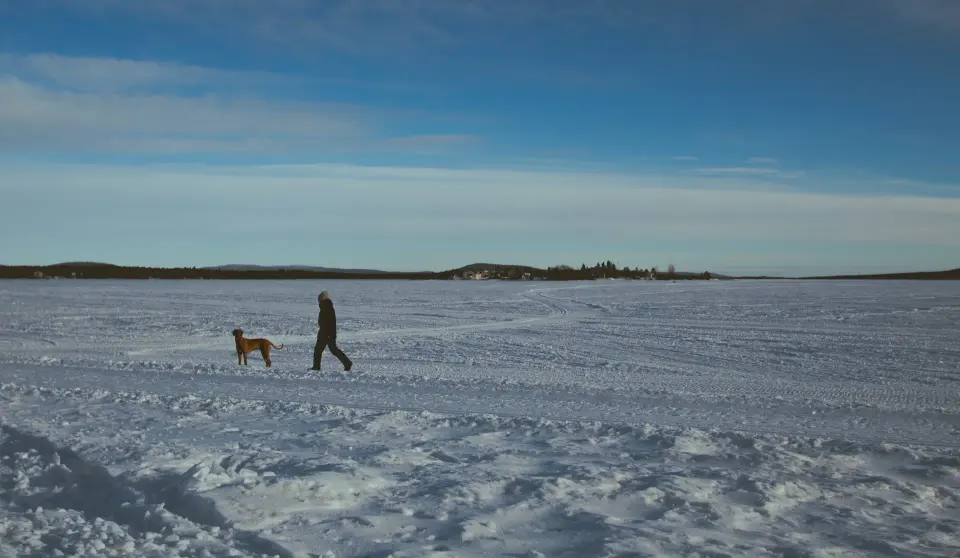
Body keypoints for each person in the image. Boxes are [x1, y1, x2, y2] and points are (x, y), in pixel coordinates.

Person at [311, 290, 353, 371]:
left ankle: (347, 363)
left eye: (319, 299)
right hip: (326, 333)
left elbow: (328, 323)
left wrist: (327, 334)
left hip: (326, 333)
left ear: (322, 299)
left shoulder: (326, 307)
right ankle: (347, 362)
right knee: (329, 350)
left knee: (320, 350)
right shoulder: (326, 306)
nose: (318, 301)